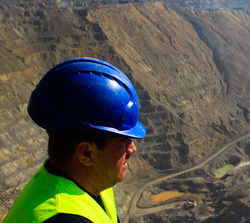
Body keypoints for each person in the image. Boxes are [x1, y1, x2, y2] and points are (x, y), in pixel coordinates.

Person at [3, 57, 146, 222]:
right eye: (123, 142)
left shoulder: (88, 184)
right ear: (86, 153)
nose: (132, 148)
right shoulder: (64, 218)